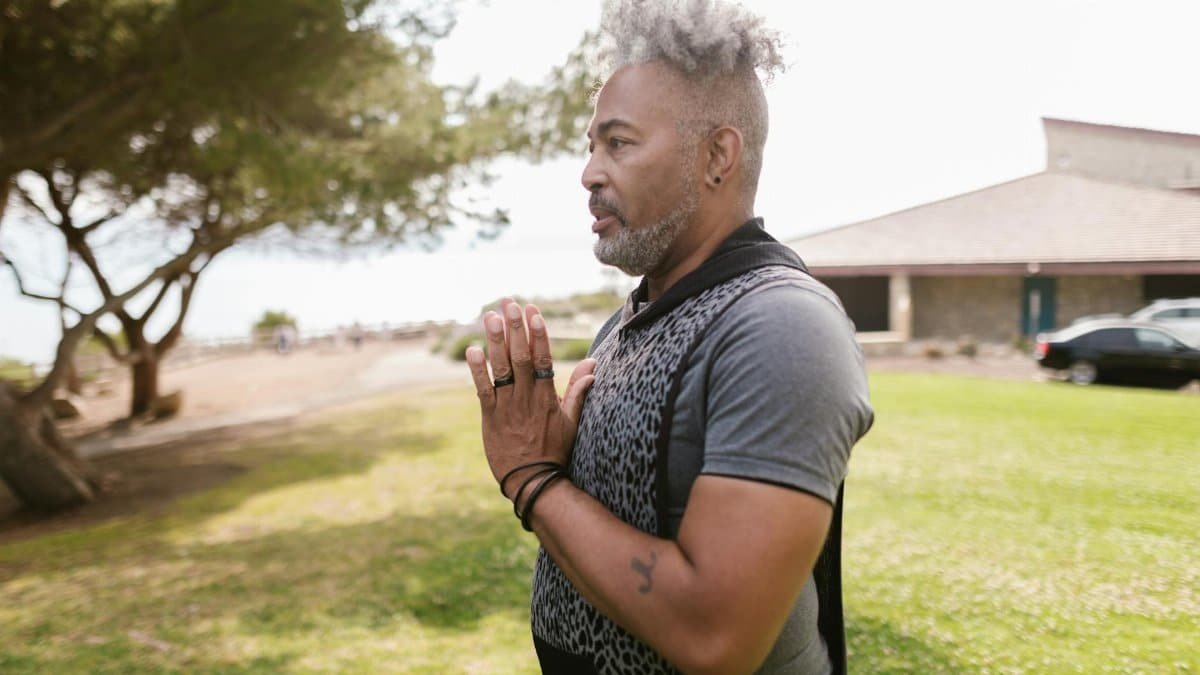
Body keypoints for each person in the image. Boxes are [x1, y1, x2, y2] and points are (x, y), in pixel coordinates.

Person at [464, 1, 874, 672]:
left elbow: (716, 637)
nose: (590, 172)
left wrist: (532, 479)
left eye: (618, 143)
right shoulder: (629, 320)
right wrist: (565, 460)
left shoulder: (779, 326)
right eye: (591, 145)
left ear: (717, 154)